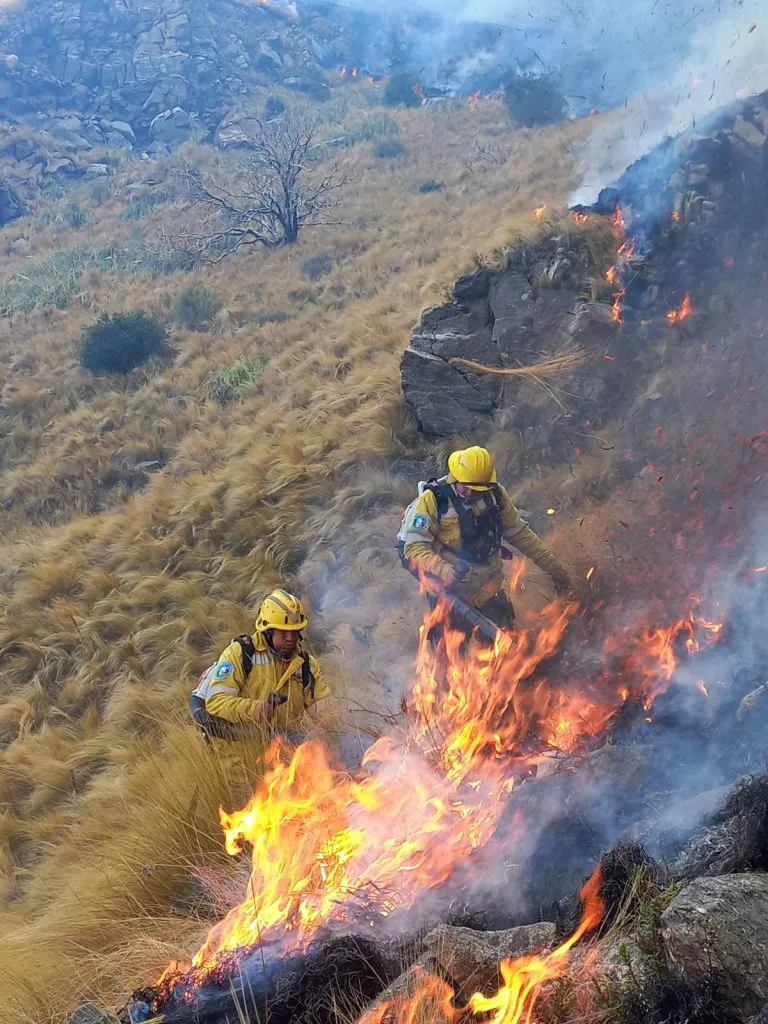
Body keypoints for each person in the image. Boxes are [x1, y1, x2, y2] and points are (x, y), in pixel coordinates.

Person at [397, 445, 573, 630]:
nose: (473, 494)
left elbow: (520, 534)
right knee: (450, 650)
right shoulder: (433, 500)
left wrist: (554, 568)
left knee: (508, 639)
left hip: (489, 585)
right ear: (455, 477)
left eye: (479, 489)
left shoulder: (495, 494)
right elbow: (413, 546)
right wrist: (443, 569)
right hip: (450, 592)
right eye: (467, 488)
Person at [189, 588, 329, 741]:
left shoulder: (306, 666)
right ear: (268, 631)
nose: (290, 638)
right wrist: (257, 710)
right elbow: (216, 702)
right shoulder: (241, 654)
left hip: (284, 759)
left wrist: (339, 724)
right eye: (283, 632)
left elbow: (323, 711)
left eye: (295, 632)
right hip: (236, 759)